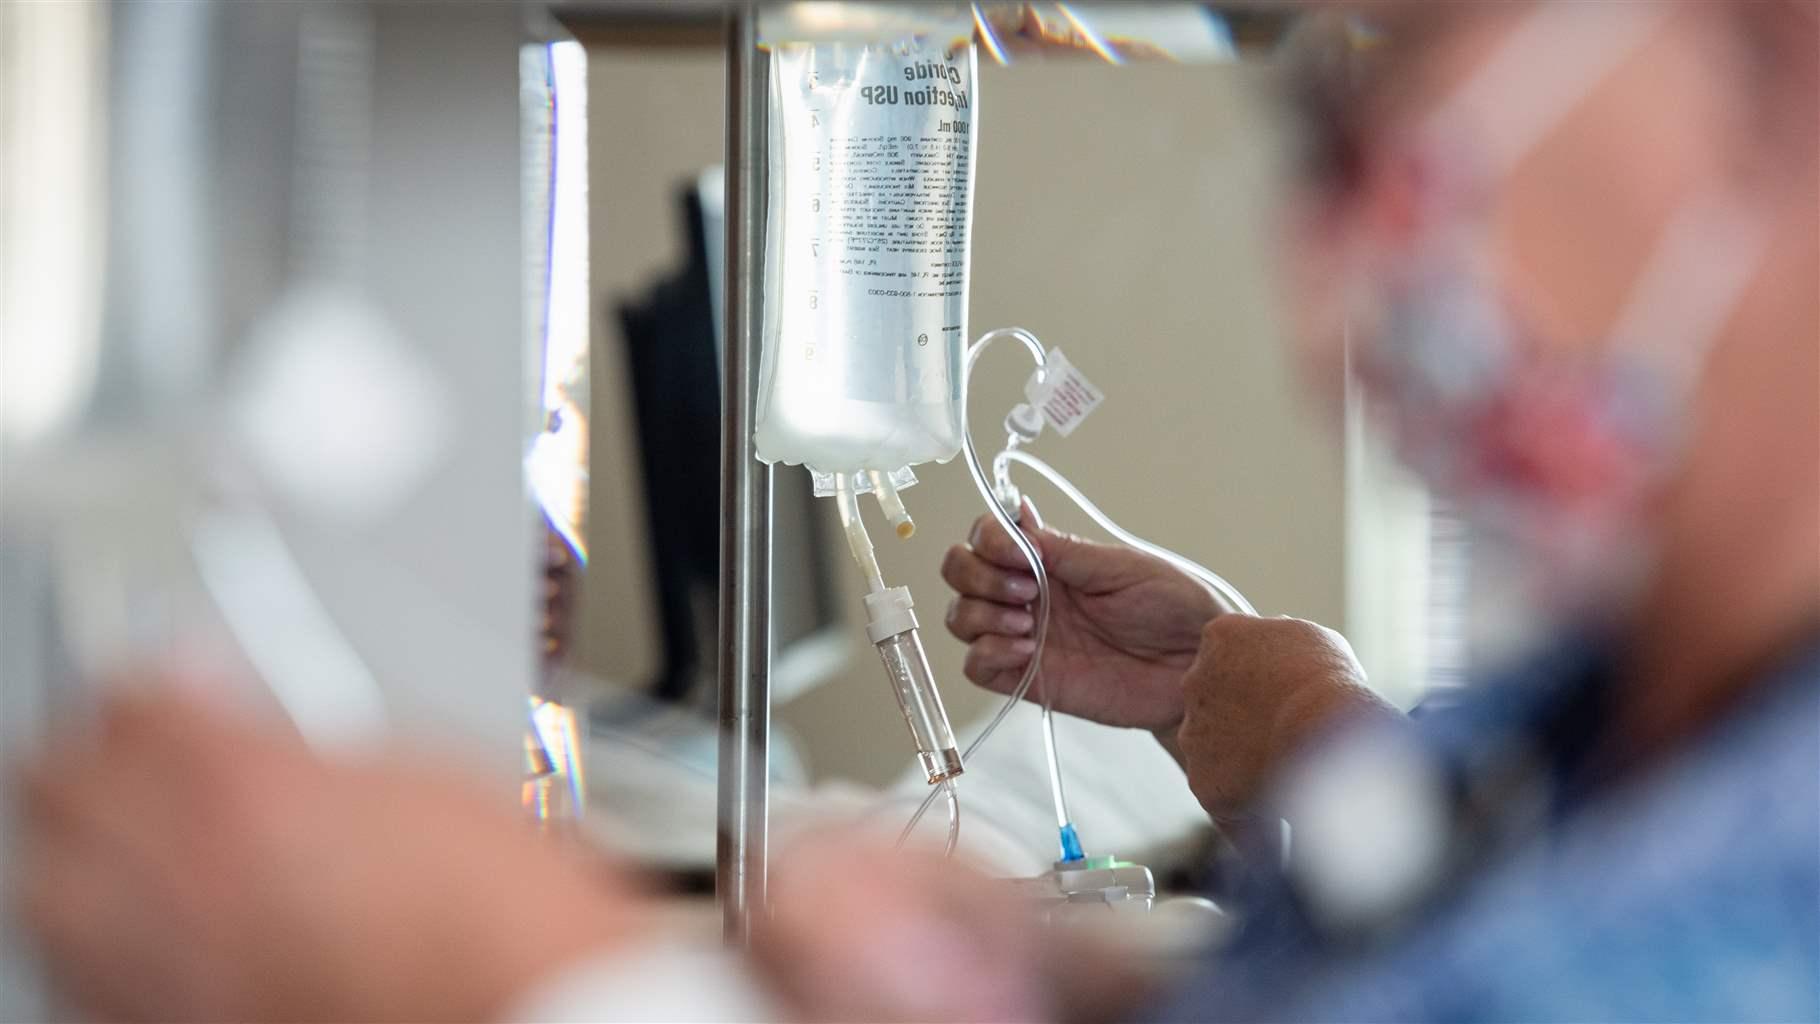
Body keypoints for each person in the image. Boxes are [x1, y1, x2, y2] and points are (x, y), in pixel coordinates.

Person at [12, 1, 1817, 1020]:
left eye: (1410, 87)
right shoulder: (1638, 719)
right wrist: (1085, 962)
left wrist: (520, 980)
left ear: (1780, 70)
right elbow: (1462, 928)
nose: (1330, 274)